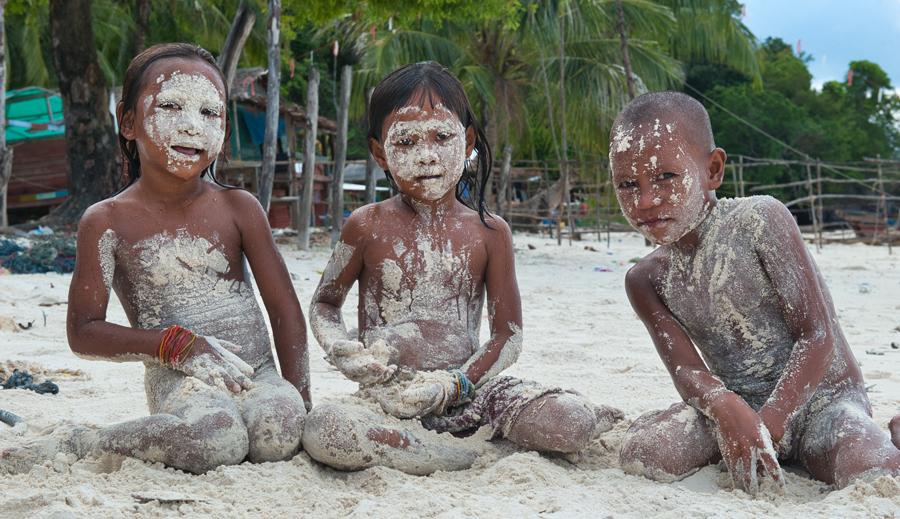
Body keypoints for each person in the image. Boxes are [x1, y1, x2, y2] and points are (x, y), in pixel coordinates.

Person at [301, 62, 622, 475]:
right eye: (407, 141)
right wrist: (341, 350)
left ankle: (431, 449)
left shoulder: (490, 232)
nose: (427, 155)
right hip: (388, 397)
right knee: (325, 430)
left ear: (467, 140)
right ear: (380, 152)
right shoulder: (366, 225)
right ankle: (442, 456)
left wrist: (455, 383)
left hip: (471, 393)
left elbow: (508, 335)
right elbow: (325, 304)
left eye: (442, 136)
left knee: (569, 421)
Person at [1, 43, 309, 475]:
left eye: (210, 113)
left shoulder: (240, 208)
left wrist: (300, 397)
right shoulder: (106, 221)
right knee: (215, 437)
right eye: (171, 106)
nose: (191, 126)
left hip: (258, 373)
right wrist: (173, 345)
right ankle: (89, 440)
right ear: (128, 121)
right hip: (182, 383)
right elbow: (83, 331)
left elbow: (285, 310)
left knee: (281, 433)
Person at [610, 91, 900, 493]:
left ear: (712, 170)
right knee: (644, 455)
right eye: (627, 184)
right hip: (740, 406)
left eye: (666, 177)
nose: (645, 200)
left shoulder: (760, 220)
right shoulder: (645, 279)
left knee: (874, 470)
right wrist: (728, 410)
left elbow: (817, 336)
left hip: (823, 400)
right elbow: (687, 370)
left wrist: (770, 425)